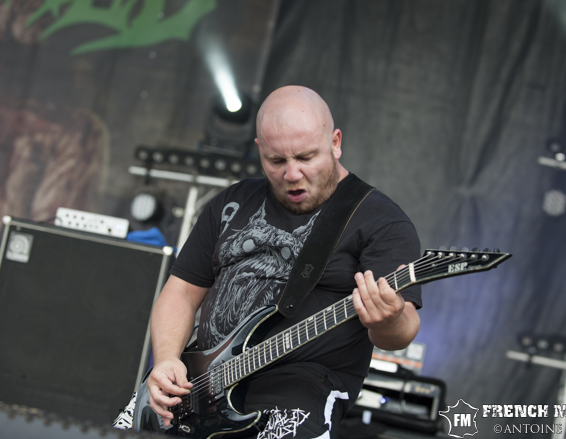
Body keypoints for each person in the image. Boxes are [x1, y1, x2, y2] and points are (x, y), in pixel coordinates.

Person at [114, 85, 421, 438]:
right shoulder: (231, 202)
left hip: (297, 391)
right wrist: (168, 358)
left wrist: (389, 319)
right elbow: (181, 291)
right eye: (276, 161)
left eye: (306, 157)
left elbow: (403, 329)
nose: (292, 174)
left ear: (335, 143)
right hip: (197, 384)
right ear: (259, 149)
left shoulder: (381, 222)